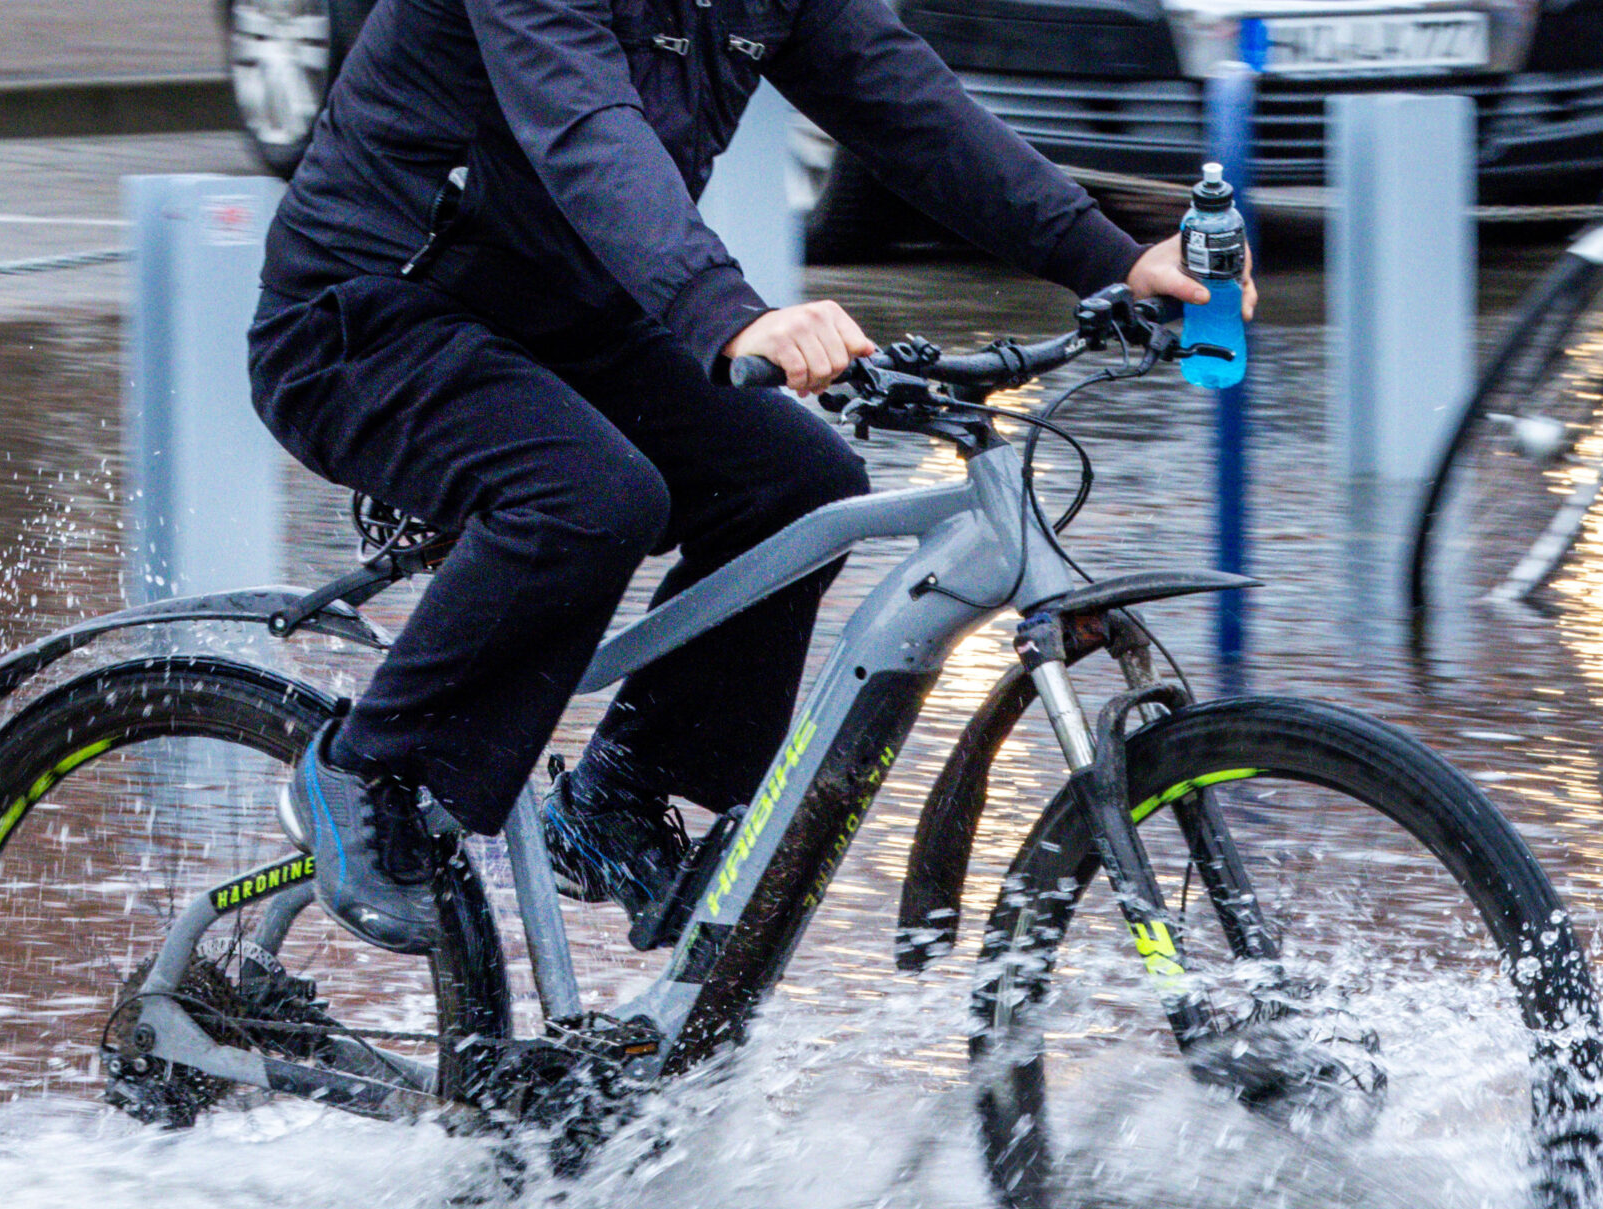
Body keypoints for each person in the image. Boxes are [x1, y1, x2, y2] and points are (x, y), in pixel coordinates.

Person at [251, 0, 1251, 955]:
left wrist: (1111, 264)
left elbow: (911, 107)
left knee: (800, 482)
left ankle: (621, 797)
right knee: (589, 495)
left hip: (567, 323)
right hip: (369, 316)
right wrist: (727, 313)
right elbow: (583, 128)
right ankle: (363, 768)